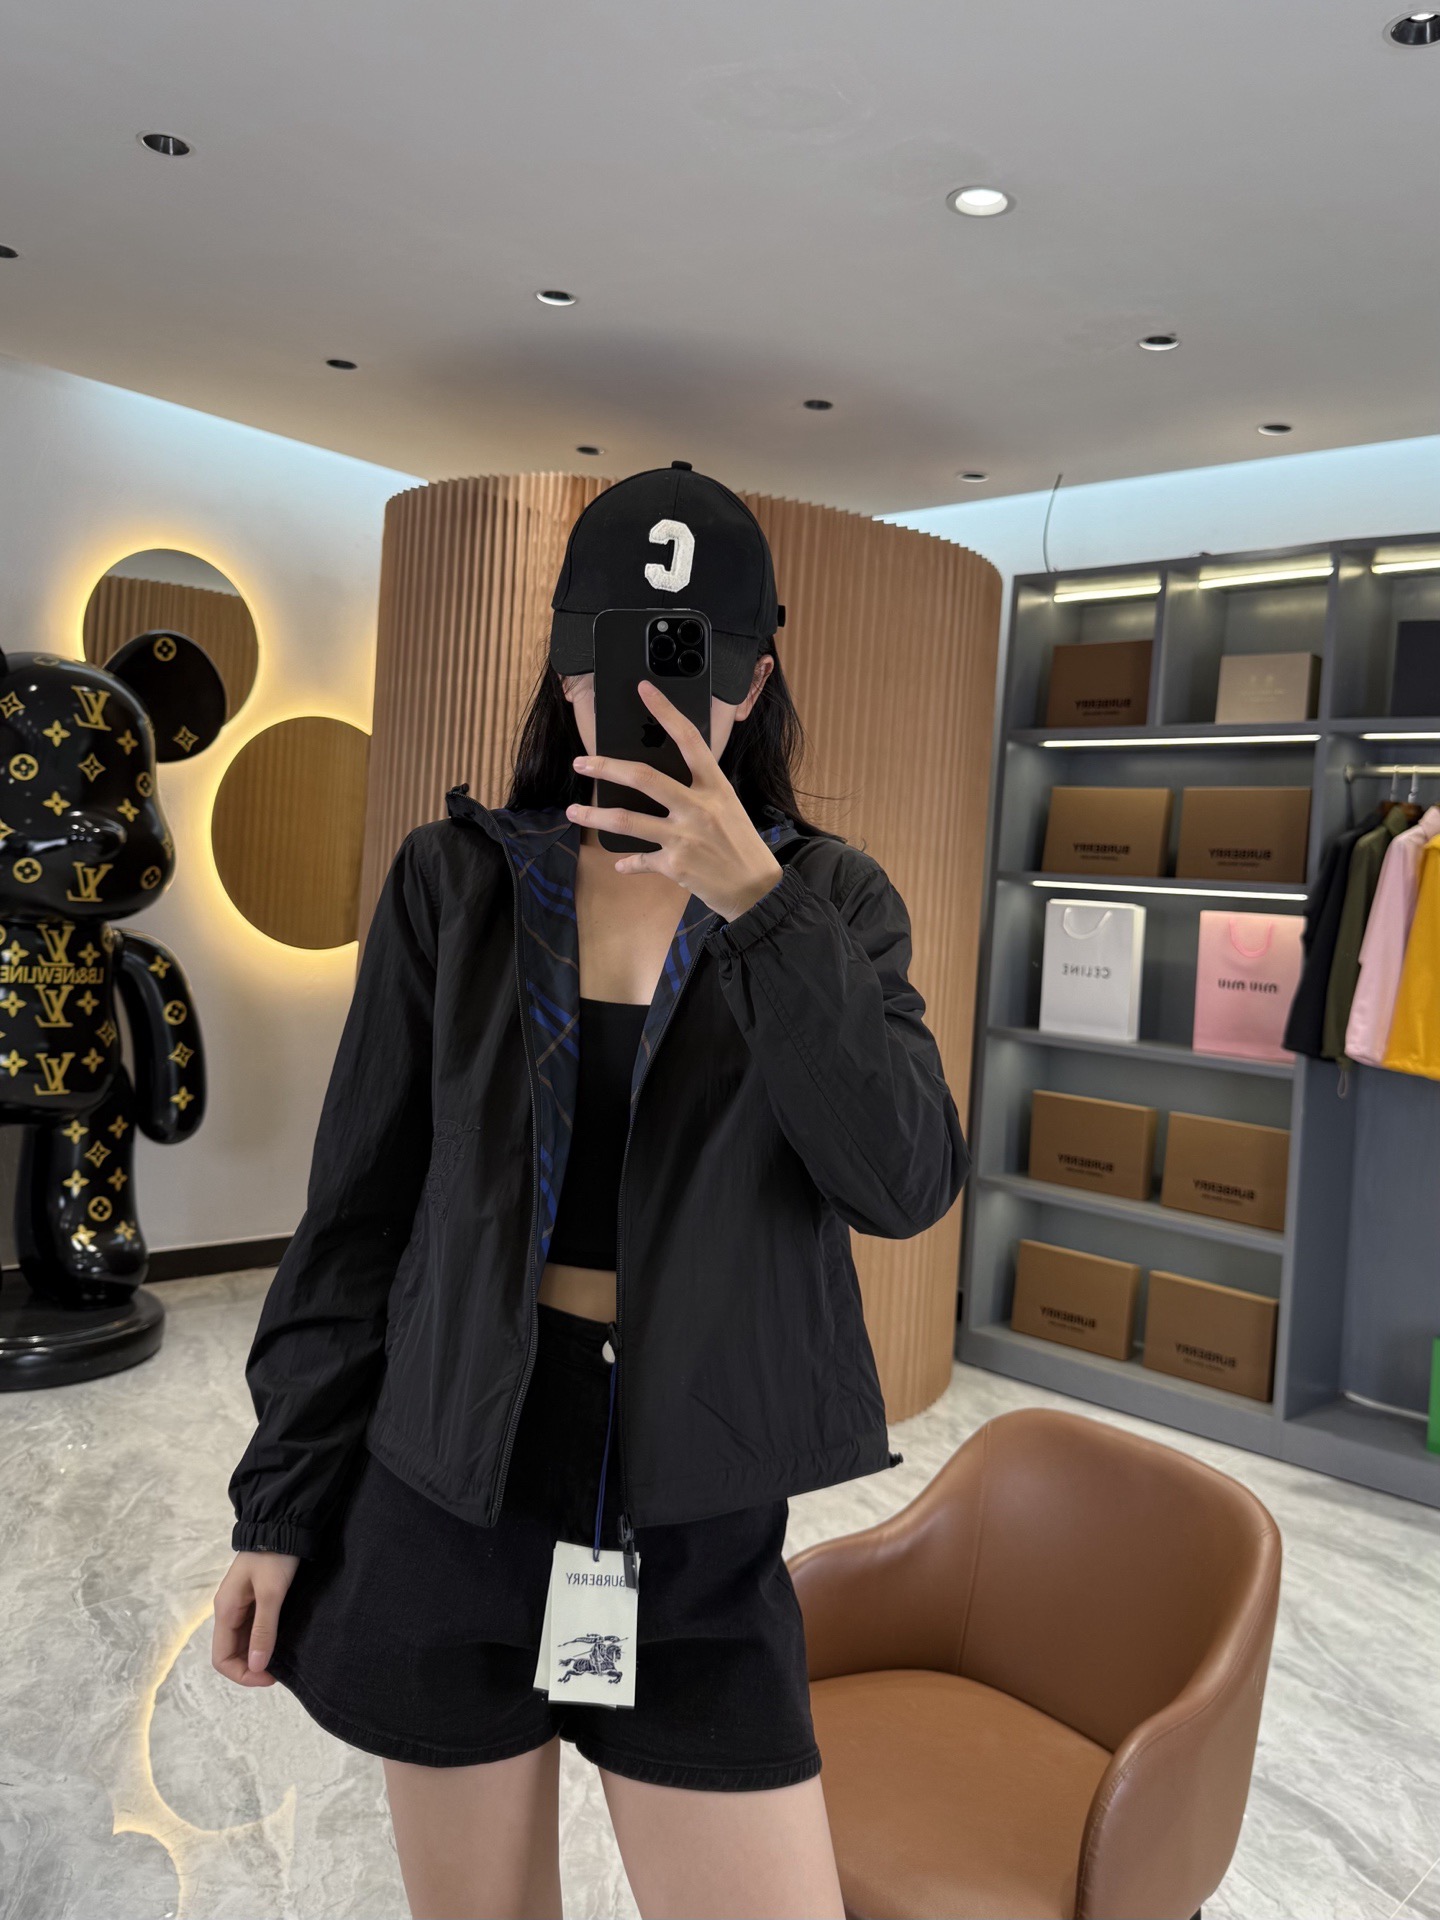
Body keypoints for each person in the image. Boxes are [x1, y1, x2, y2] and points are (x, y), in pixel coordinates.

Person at [213, 462, 970, 1919]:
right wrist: (279, 1505)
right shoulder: (458, 883)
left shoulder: (832, 901)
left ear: (756, 683)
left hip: (698, 1490)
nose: (659, 702)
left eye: (700, 666)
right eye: (615, 658)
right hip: (454, 1471)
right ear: (565, 674)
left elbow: (901, 1182)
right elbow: (357, 1217)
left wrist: (759, 906)